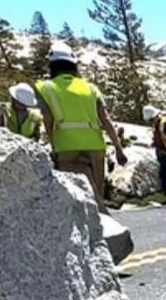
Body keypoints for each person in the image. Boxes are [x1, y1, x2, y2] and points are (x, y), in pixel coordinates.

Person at [33, 45, 126, 209]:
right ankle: (105, 223)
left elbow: (48, 121)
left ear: (52, 66)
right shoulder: (91, 88)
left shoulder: (44, 88)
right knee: (97, 195)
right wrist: (118, 149)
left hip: (66, 147)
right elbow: (105, 119)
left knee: (76, 199)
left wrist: (54, 147)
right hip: (95, 146)